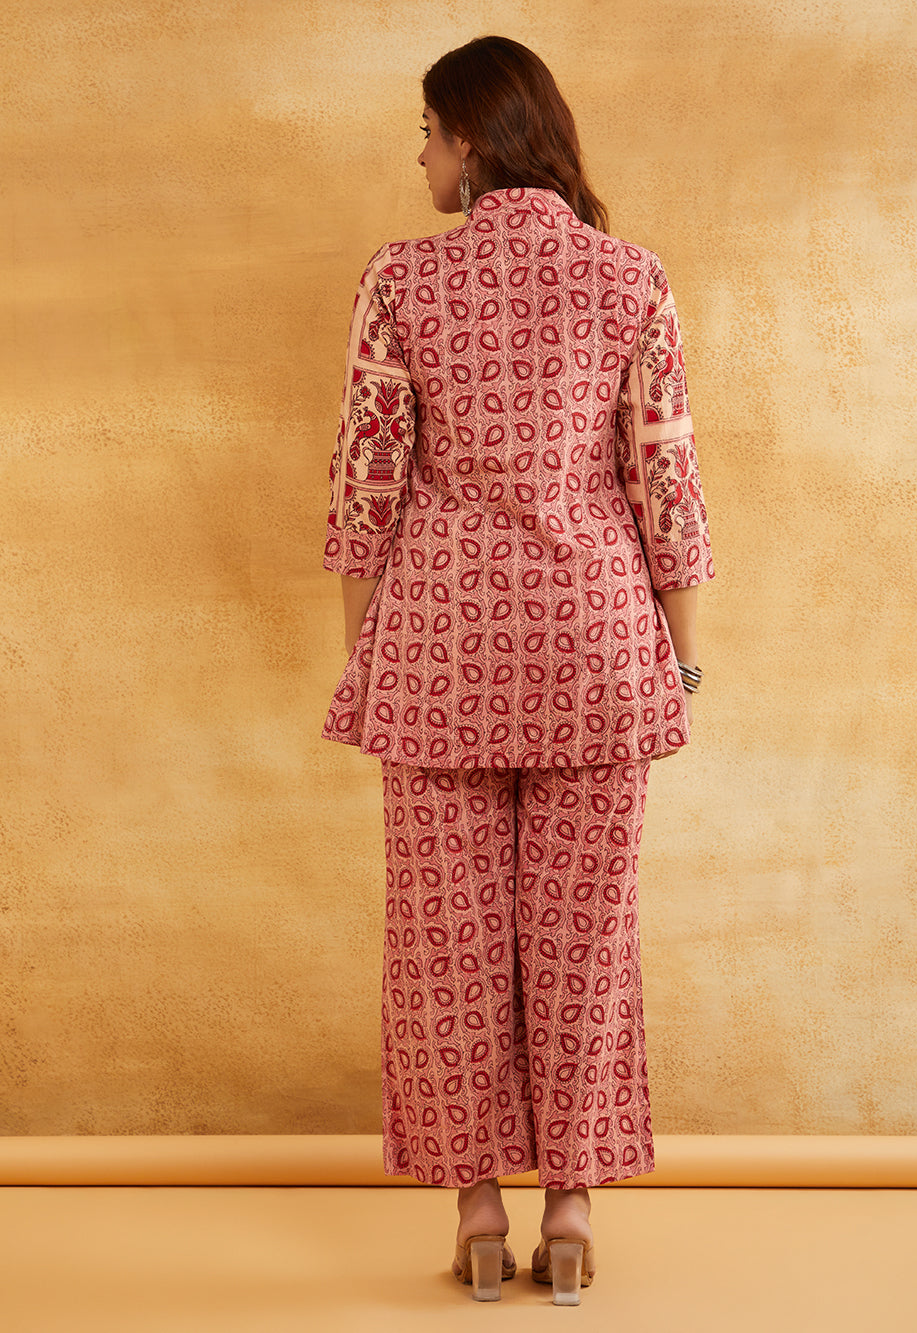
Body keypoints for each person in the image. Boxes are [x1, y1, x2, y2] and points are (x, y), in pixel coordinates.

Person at [321, 35, 714, 1305]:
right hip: (597, 645)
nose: (420, 156)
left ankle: (479, 1207)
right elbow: (665, 476)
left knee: (445, 941)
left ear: (475, 140)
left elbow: (367, 482)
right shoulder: (630, 277)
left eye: (428, 132)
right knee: (585, 939)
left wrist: (366, 654)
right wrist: (683, 661)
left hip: (440, 650)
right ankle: (574, 1207)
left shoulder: (402, 279)